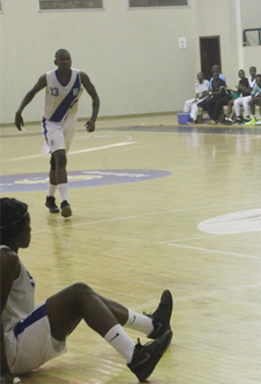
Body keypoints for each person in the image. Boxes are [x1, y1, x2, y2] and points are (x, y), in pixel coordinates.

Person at [0, 198, 173, 384]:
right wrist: (4, 373)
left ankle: (153, 326)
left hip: (15, 340)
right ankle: (136, 357)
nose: (30, 229)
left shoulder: (6, 256)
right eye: (27, 224)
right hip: (12, 351)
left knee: (86, 296)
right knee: (78, 294)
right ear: (15, 230)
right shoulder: (6, 259)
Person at [15, 49, 100, 219]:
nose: (66, 62)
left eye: (68, 59)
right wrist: (19, 111)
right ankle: (65, 203)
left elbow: (95, 97)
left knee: (56, 162)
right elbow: (31, 92)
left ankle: (50, 198)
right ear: (56, 62)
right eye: (62, 60)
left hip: (69, 123)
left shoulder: (80, 76)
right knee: (61, 158)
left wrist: (93, 119)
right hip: (51, 122)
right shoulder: (47, 77)